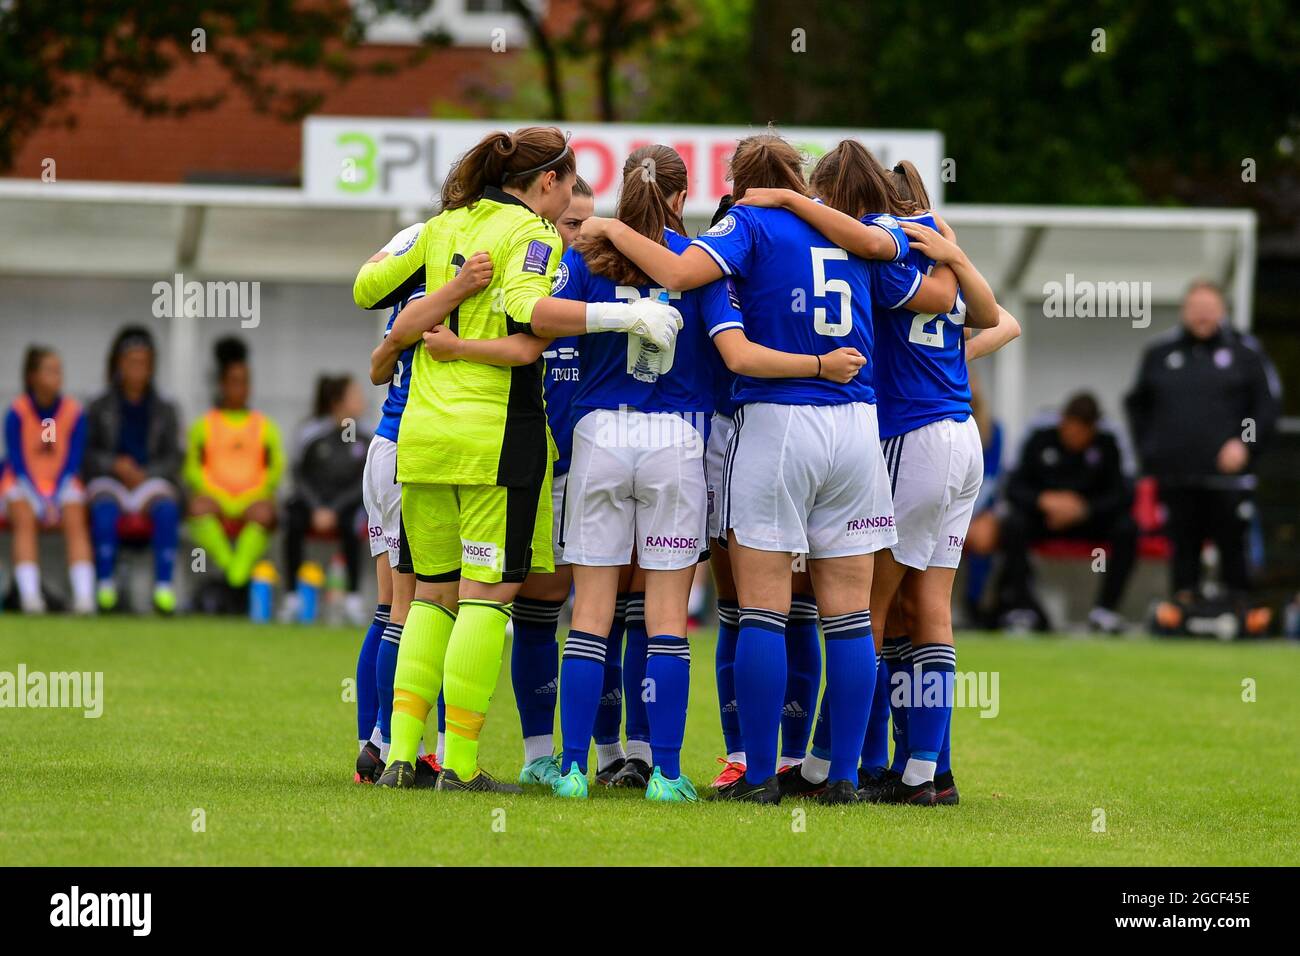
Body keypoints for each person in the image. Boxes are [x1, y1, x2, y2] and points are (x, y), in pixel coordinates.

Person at [581, 131, 945, 804]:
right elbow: (927, 290)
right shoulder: (856, 230)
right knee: (847, 616)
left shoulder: (746, 225)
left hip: (778, 422)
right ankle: (841, 779)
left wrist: (607, 226)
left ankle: (757, 777)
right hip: (858, 425)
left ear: (738, 180)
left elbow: (680, 275)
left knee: (761, 611)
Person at [354, 125, 682, 793]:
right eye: (564, 188)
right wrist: (628, 318)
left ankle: (400, 757)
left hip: (421, 436)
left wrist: (441, 298)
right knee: (489, 596)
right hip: (494, 438)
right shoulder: (528, 232)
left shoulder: (442, 225)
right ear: (548, 184)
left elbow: (368, 288)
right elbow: (527, 309)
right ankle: (463, 768)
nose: (563, 208)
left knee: (429, 599)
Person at [737, 145, 1009, 805]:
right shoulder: (931, 243)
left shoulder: (874, 243)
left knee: (871, 614)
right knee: (929, 610)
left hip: (908, 434)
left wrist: (785, 199)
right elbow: (1001, 321)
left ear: (836, 191)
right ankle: (926, 770)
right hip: (958, 430)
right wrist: (956, 286)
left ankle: (838, 762)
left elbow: (865, 245)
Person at [352, 221, 495, 785]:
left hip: (395, 447)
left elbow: (379, 360)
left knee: (395, 606)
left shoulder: (422, 278)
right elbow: (381, 357)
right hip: (418, 450)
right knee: (422, 607)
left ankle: (378, 744)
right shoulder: (460, 281)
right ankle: (398, 747)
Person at [1124, 280, 1281, 631]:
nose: (1203, 315)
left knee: (1233, 546)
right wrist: (1152, 453)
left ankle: (1239, 612)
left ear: (1222, 311)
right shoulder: (1160, 353)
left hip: (1229, 480)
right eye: (1196, 308)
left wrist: (1245, 443)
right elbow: (1138, 407)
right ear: (1185, 311)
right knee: (1183, 547)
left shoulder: (1245, 352)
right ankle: (1183, 611)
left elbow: (1266, 407)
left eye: (1210, 308)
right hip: (1177, 477)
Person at [995, 391, 1136, 633]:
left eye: (1080, 431)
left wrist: (1085, 509)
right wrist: (1044, 501)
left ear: (1092, 429)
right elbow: (1013, 486)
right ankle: (1023, 608)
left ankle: (1105, 611)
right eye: (1069, 428)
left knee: (1127, 528)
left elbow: (1123, 494)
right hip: (1044, 520)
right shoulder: (1040, 439)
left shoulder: (1107, 444)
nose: (1073, 436)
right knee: (1013, 524)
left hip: (1089, 521)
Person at [82, 326, 183, 615]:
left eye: (144, 362)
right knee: (104, 510)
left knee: (166, 509)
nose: (137, 369)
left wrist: (146, 473)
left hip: (148, 481)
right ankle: (105, 586)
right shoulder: (99, 404)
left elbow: (175, 456)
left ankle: (163, 588)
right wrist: (114, 465)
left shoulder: (166, 407)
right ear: (118, 363)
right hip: (110, 480)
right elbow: (86, 453)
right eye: (131, 361)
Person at [184, 337, 285, 611]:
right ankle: (236, 575)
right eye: (234, 381)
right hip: (216, 499)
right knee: (197, 507)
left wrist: (251, 496)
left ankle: (233, 577)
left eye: (245, 382)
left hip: (252, 500)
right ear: (222, 385)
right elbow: (192, 469)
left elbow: (275, 470)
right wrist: (222, 497)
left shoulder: (265, 426)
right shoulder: (204, 425)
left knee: (266, 513)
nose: (240, 388)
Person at [2, 346, 93, 614]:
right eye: (50, 371)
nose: (57, 376)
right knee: (24, 517)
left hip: (62, 483)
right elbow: (16, 460)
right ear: (32, 377)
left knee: (76, 517)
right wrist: (36, 497)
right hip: (23, 483)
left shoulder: (73, 412)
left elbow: (73, 459)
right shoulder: (17, 412)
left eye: (59, 371)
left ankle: (84, 597)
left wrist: (54, 496)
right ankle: (31, 598)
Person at [282, 375, 370, 625]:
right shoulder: (313, 435)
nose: (361, 401)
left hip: (346, 507)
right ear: (338, 402)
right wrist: (316, 507)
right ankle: (292, 596)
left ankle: (352, 597)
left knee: (355, 520)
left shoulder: (367, 439)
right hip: (313, 505)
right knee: (292, 517)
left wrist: (334, 509)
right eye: (355, 396)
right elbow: (299, 475)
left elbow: (363, 482)